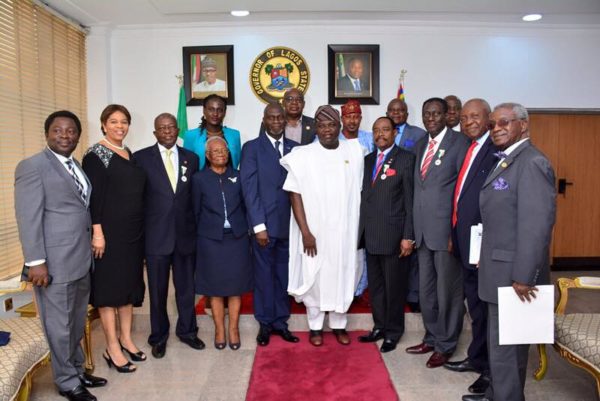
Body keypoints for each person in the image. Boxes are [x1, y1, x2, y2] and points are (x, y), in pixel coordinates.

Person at [463, 103, 556, 401]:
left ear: (523, 125)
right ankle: (498, 392)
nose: (497, 128)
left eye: (505, 122)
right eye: (493, 124)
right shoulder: (506, 159)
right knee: (502, 344)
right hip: (497, 268)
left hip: (515, 276)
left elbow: (536, 225)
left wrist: (524, 275)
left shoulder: (531, 162)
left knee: (508, 347)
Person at [15, 111, 106, 401]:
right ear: (47, 134)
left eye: (70, 131)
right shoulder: (33, 166)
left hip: (79, 259)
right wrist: (35, 262)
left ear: (78, 135)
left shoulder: (73, 165)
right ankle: (67, 382)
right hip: (52, 263)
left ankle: (77, 371)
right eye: (58, 131)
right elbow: (28, 217)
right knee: (59, 325)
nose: (65, 136)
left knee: (76, 320)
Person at [280, 105, 364, 347]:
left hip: (344, 233)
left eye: (331, 125)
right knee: (315, 277)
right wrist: (305, 232)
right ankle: (315, 327)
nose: (327, 130)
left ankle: (339, 325)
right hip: (314, 233)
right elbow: (294, 194)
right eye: (322, 125)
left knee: (342, 274)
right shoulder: (302, 154)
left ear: (339, 127)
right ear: (316, 128)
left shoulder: (355, 150)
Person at [133, 113, 205, 359]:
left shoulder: (192, 158)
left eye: (171, 127)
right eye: (162, 128)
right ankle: (159, 336)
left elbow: (194, 198)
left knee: (187, 289)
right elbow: (138, 202)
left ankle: (188, 332)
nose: (167, 131)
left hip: (185, 236)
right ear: (155, 133)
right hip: (156, 237)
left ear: (177, 130)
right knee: (158, 291)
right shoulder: (140, 158)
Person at [83, 104, 146, 373]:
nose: (119, 126)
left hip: (132, 233)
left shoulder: (127, 152)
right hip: (107, 235)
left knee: (128, 288)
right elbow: (93, 197)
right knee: (109, 291)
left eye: (124, 122)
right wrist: (97, 232)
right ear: (103, 125)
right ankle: (112, 347)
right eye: (113, 121)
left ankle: (127, 339)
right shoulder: (95, 154)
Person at [406, 97, 469, 368]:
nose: (430, 118)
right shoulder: (420, 145)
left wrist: (455, 232)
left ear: (446, 115)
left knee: (448, 293)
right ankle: (431, 337)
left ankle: (446, 344)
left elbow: (462, 193)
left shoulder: (460, 144)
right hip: (422, 233)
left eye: (436, 113)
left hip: (445, 234)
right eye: (426, 114)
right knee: (427, 291)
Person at [445, 99, 497, 396]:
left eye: (475, 117)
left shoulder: (496, 150)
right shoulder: (470, 147)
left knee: (488, 312)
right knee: (475, 308)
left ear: (487, 118)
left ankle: (491, 371)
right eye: (464, 118)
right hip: (466, 243)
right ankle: (477, 359)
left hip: (484, 247)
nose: (468, 122)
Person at [240, 103, 300, 346]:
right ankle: (265, 324)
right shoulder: (252, 148)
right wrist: (258, 225)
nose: (276, 122)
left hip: (289, 226)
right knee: (264, 276)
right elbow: (249, 188)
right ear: (264, 120)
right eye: (271, 118)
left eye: (280, 118)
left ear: (286, 120)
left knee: (283, 276)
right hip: (263, 227)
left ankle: (281, 323)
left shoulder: (296, 149)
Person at [358, 116, 415, 353]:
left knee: (394, 288)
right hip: (371, 235)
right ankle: (380, 326)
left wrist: (408, 236)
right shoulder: (369, 159)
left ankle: (393, 332)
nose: (380, 134)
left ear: (394, 133)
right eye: (376, 131)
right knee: (377, 287)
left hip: (394, 237)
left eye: (385, 130)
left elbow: (411, 201)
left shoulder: (405, 159)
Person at [192, 136, 252, 350]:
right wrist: (203, 236)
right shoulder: (199, 179)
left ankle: (234, 329)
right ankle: (219, 329)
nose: (220, 154)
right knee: (215, 288)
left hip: (237, 239)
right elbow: (195, 211)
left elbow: (247, 206)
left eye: (224, 151)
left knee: (236, 287)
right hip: (210, 241)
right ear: (207, 156)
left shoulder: (238, 176)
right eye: (215, 151)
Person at [385, 97, 426, 312]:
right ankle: (395, 295)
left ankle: (413, 294)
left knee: (412, 252)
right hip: (389, 202)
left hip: (411, 196)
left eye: (400, 110)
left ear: (407, 114)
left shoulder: (419, 135)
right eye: (392, 110)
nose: (396, 113)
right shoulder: (381, 133)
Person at [339, 99, 372, 297]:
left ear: (360, 118)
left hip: (364, 202)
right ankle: (342, 287)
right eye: (348, 117)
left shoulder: (369, 139)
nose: (352, 121)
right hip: (339, 204)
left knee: (361, 247)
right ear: (342, 118)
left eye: (356, 116)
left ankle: (360, 288)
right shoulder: (331, 138)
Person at [183, 94, 242, 170]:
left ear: (224, 112)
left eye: (220, 110)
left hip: (230, 180)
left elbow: (236, 161)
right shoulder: (191, 135)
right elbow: (188, 164)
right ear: (204, 110)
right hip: (200, 181)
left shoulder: (234, 135)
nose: (215, 114)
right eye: (211, 109)